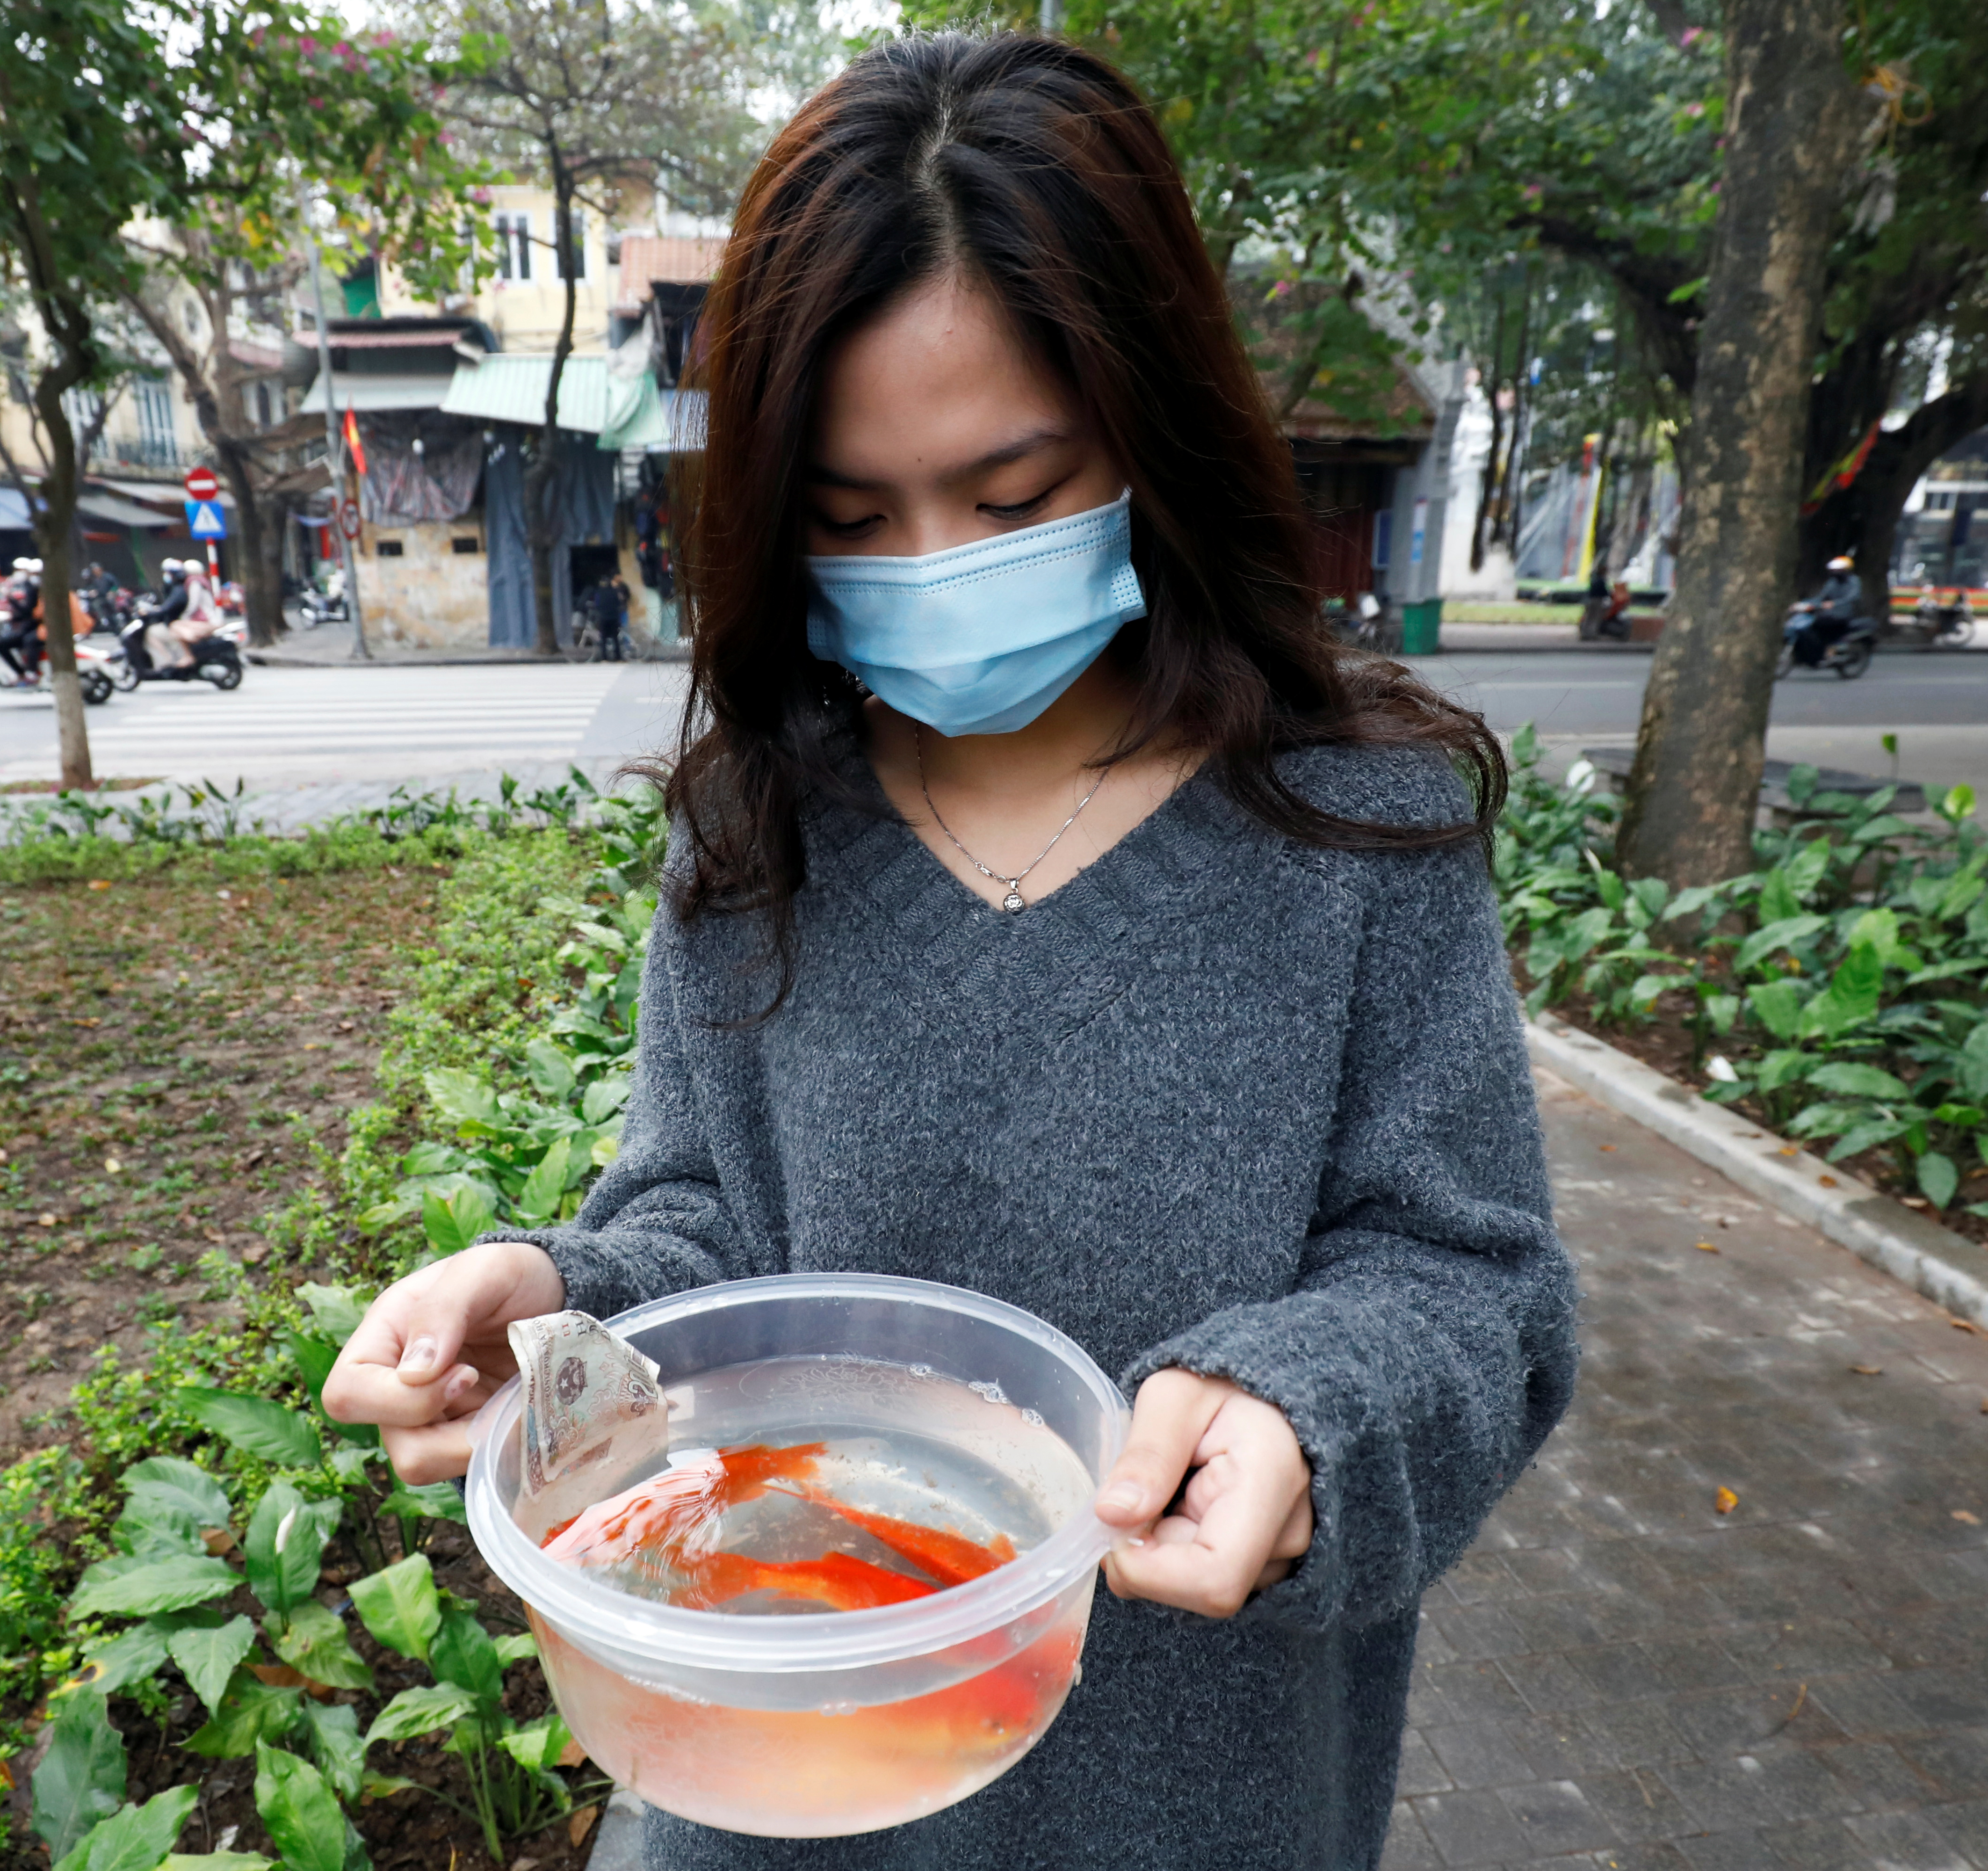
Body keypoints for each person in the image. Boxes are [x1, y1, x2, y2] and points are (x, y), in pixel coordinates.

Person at [322, 35, 1575, 1871]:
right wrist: (563, 1306)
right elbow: (709, 1228)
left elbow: (1473, 1287)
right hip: (773, 1793)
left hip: (1196, 1804)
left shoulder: (1357, 836)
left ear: (1151, 434)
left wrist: (1318, 1412)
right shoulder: (751, 834)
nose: (933, 564)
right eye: (851, 517)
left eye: (1012, 497)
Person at [1790, 553, 1862, 666]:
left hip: (1843, 615)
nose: (1836, 572)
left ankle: (1826, 652)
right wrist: (1804, 605)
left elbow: (1852, 597)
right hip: (1828, 613)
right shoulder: (1832, 582)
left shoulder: (1854, 581)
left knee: (1820, 624)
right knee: (1811, 626)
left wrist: (1834, 604)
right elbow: (1821, 597)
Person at [0, 558, 45, 680]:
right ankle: (24, 673)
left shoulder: (35, 588)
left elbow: (29, 611)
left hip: (39, 627)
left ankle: (30, 674)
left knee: (25, 641)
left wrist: (11, 599)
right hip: (31, 625)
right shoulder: (29, 586)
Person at [586, 568, 631, 661]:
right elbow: (619, 603)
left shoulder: (599, 593)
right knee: (615, 638)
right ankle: (618, 657)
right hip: (614, 617)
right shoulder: (614, 592)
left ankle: (605, 658)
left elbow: (597, 605)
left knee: (603, 639)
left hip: (603, 618)